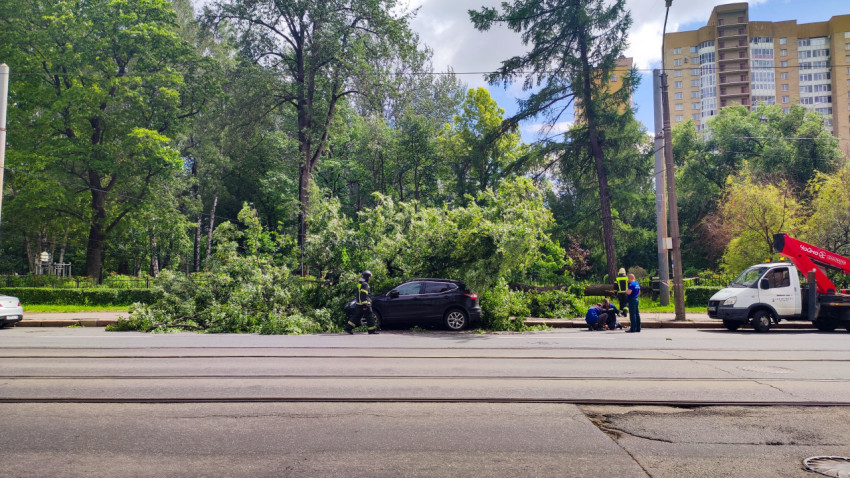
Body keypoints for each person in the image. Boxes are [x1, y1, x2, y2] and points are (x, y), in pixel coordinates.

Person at [345, 270, 379, 335]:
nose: (370, 278)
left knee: (356, 317)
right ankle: (372, 330)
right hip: (364, 304)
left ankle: (348, 328)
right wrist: (365, 305)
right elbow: (363, 295)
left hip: (359, 304)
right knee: (370, 317)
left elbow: (359, 294)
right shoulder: (365, 284)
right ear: (367, 277)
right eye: (369, 277)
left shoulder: (360, 283)